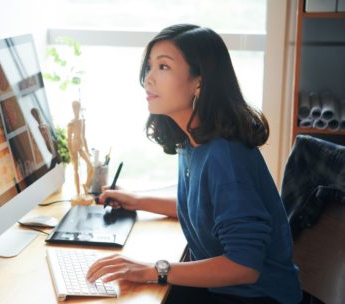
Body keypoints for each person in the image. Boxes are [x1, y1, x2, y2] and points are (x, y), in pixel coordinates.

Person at [86, 24, 302, 304]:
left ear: (199, 82)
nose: (148, 79)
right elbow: (205, 211)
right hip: (224, 292)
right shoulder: (195, 141)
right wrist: (137, 200)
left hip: (255, 298)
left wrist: (152, 270)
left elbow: (245, 266)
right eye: (149, 67)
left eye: (163, 67)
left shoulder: (225, 157)